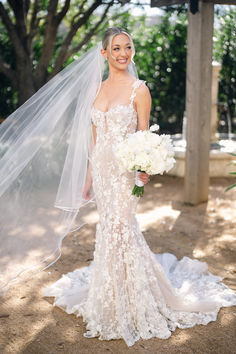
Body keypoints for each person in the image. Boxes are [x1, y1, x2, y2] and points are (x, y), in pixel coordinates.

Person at [42, 28, 236, 347]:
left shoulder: (139, 89)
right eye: (116, 48)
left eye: (127, 47)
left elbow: (143, 135)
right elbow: (93, 139)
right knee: (109, 228)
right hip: (103, 172)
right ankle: (112, 292)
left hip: (123, 171)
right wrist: (89, 179)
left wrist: (142, 168)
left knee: (122, 228)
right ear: (103, 53)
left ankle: (133, 299)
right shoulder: (95, 89)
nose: (123, 53)